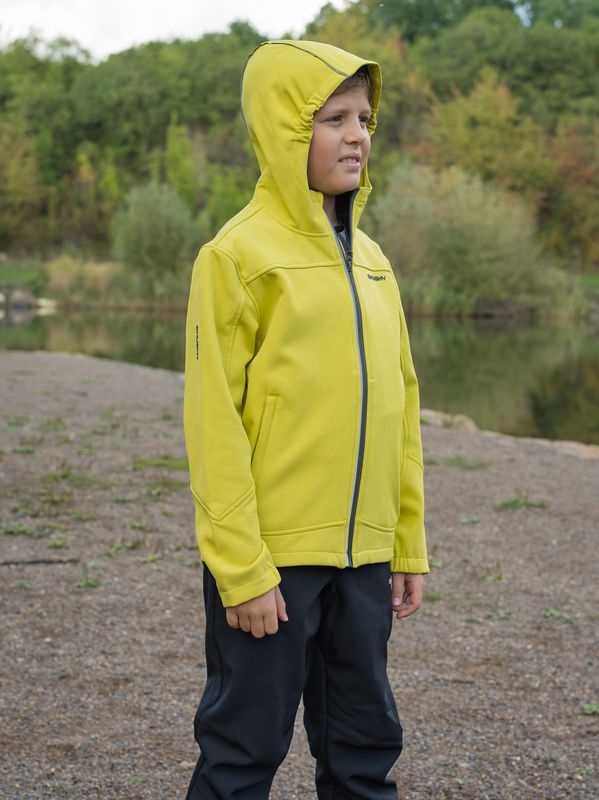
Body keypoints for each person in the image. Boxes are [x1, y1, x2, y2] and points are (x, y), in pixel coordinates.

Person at [183, 39, 429, 800]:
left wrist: (405, 541)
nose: (357, 136)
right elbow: (213, 426)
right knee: (243, 750)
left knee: (364, 749)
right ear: (284, 128)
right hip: (274, 562)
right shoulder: (237, 256)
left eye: (365, 119)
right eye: (333, 119)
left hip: (364, 558)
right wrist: (242, 570)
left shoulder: (375, 263)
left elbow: (401, 409)